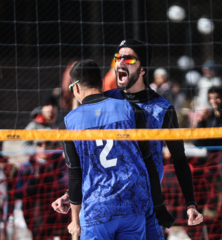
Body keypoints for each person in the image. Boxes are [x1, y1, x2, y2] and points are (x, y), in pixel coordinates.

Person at [52, 40, 203, 239]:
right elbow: (94, 157)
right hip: (119, 203)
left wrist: (190, 203)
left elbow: (179, 160)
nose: (120, 63)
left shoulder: (163, 108)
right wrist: (70, 194)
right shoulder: (109, 100)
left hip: (148, 204)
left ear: (142, 69)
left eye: (128, 58)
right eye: (117, 58)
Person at [64, 59, 173, 239]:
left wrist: (75, 220)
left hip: (97, 209)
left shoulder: (71, 121)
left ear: (75, 87)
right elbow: (149, 163)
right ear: (101, 82)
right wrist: (157, 206)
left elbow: (75, 175)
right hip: (130, 204)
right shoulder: (130, 109)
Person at [16, 140, 67, 239]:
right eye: (40, 144)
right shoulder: (26, 166)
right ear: (35, 147)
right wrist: (34, 181)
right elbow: (18, 192)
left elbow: (69, 185)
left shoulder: (61, 164)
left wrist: (53, 180)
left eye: (47, 143)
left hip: (60, 213)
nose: (43, 147)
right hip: (36, 215)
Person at [193, 86, 222, 153]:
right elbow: (198, 144)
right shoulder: (209, 117)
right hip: (211, 157)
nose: (214, 101)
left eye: (217, 98)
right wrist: (201, 122)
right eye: (211, 98)